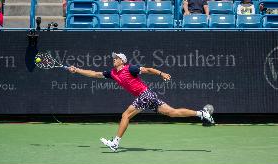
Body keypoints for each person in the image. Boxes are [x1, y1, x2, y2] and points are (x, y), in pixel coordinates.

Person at [68, 52, 215, 152]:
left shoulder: (130, 68)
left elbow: (148, 70)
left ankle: (115, 142)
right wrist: (77, 70)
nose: (113, 59)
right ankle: (202, 114)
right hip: (147, 96)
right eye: (113, 57)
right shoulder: (112, 73)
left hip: (145, 94)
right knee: (172, 112)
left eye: (116, 57)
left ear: (122, 61)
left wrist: (161, 73)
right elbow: (94, 74)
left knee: (125, 115)